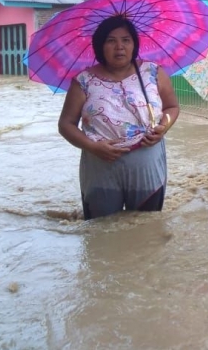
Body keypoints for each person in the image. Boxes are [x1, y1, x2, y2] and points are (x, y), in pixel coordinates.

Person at [58, 16, 180, 219]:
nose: (119, 47)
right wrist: (93, 147)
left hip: (147, 164)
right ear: (100, 45)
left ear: (134, 44)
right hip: (100, 165)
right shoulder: (83, 81)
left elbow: (172, 107)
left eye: (126, 40)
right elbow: (66, 124)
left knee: (146, 229)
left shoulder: (152, 73)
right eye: (111, 40)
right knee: (101, 234)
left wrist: (163, 127)